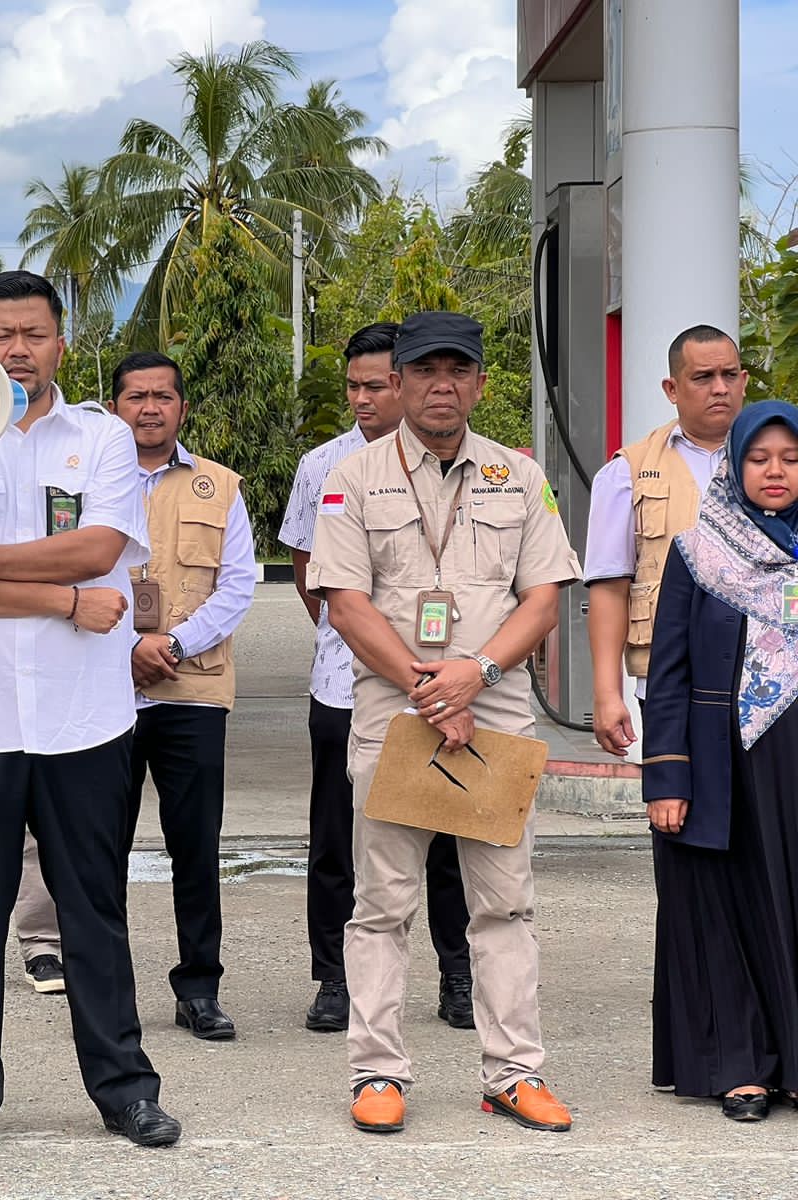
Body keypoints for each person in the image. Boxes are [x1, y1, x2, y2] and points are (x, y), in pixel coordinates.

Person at [0, 271, 179, 1162]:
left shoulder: (100, 437)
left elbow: (98, 549)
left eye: (34, 334)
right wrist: (60, 600)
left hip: (82, 719)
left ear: (62, 341)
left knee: (94, 910)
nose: (18, 350)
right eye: (1, 335)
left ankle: (126, 1091)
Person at [307, 311, 582, 1135]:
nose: (441, 386)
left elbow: (543, 598)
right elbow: (345, 603)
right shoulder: (353, 479)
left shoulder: (518, 477)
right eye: (425, 370)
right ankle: (377, 1073)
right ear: (397, 382)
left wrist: (476, 674)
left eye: (458, 370)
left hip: (492, 711)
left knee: (504, 901)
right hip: (396, 711)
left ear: (481, 385)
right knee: (382, 902)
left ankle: (514, 1073)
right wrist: (429, 689)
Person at [279, 323, 473, 1035]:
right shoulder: (322, 467)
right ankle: (335, 977)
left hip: (448, 680)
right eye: (353, 387)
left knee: (451, 834)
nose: (363, 399)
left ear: (404, 383)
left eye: (375, 386)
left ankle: (458, 972)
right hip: (344, 682)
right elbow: (309, 573)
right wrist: (355, 638)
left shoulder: (466, 463)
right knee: (339, 839)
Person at [644, 401, 798, 1122]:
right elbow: (668, 673)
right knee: (725, 911)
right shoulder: (697, 552)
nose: (776, 471)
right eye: (759, 458)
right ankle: (740, 1066)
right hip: (724, 769)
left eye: (790, 458)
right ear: (735, 466)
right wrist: (666, 775)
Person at [103, 349, 253, 1040]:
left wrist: (170, 645)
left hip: (191, 691)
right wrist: (125, 650)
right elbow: (66, 578)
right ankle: (107, 994)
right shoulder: (84, 483)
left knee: (194, 847)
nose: (150, 408)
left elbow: (238, 585)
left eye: (162, 396)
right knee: (98, 849)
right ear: (115, 408)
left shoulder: (218, 486)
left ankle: (200, 989)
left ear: (182, 408)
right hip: (101, 694)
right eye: (136, 396)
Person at [585, 325, 747, 756]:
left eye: (730, 375)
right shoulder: (627, 471)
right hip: (670, 678)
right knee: (675, 793)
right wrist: (606, 694)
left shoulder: (781, 461)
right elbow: (609, 588)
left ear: (744, 381)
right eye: (703, 377)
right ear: (671, 389)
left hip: (767, 677)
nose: (720, 388)